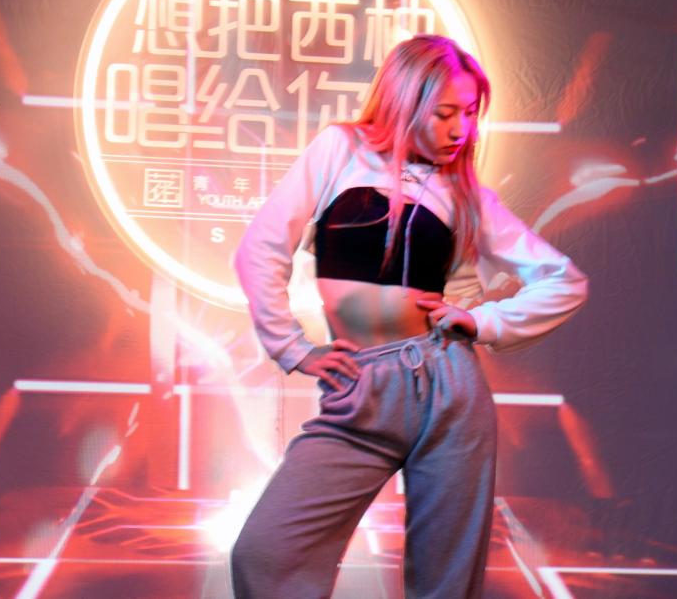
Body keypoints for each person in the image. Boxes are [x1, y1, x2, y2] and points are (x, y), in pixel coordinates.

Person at [230, 34, 588, 599]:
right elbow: (260, 247)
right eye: (445, 113)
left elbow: (564, 280)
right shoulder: (340, 150)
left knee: (446, 583)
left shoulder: (467, 195)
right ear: (405, 100)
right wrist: (292, 348)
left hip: (447, 386)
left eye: (470, 113)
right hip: (362, 384)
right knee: (267, 552)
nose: (461, 129)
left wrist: (483, 322)